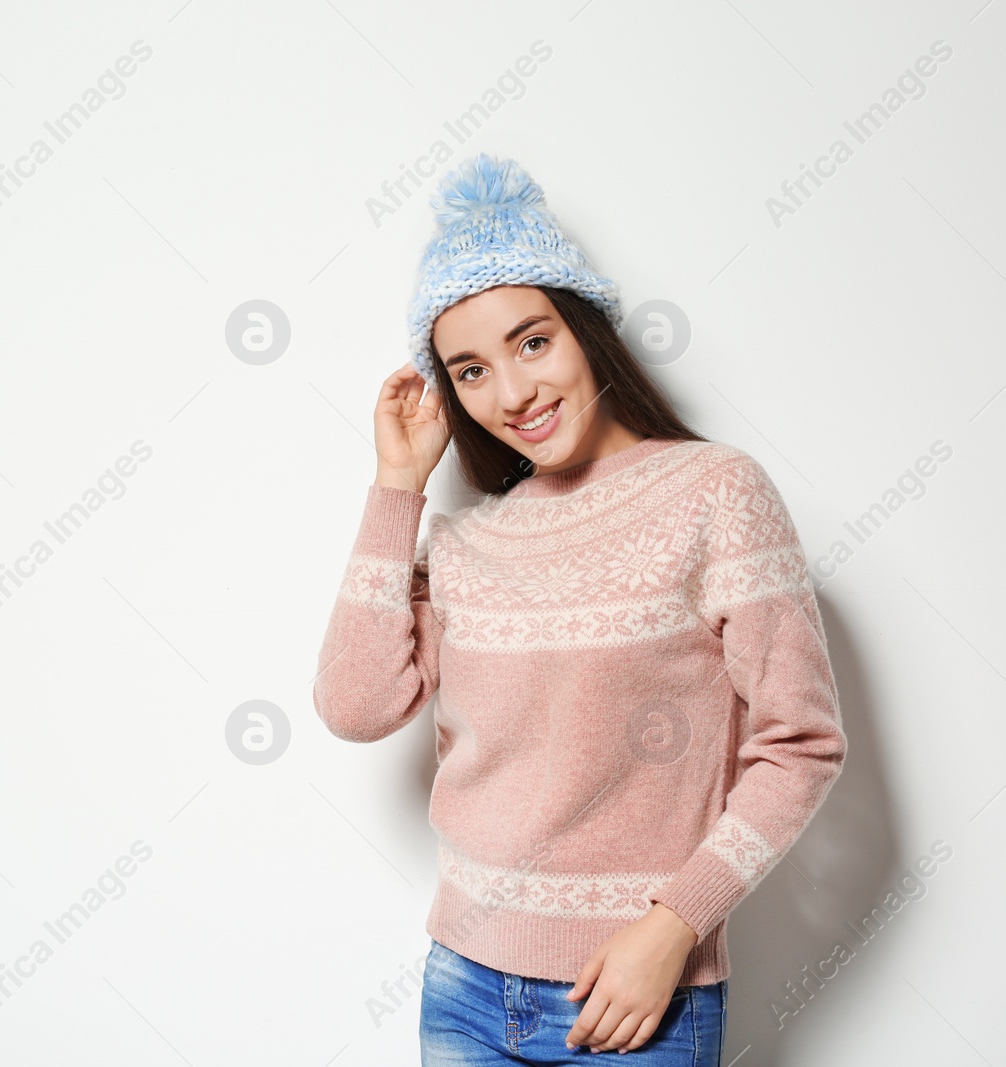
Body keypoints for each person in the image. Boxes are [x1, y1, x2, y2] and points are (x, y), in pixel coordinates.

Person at [313, 153, 846, 1063]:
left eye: (532, 342)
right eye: (469, 370)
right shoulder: (468, 542)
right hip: (463, 987)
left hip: (635, 999)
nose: (513, 394)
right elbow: (356, 706)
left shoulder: (715, 491)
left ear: (586, 330)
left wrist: (676, 924)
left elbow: (800, 743)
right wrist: (398, 484)